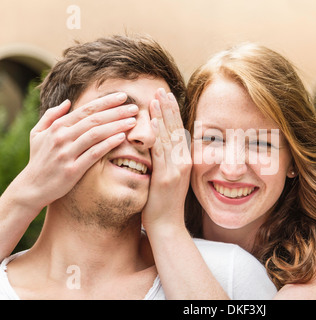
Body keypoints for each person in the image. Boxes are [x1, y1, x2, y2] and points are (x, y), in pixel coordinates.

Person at [0, 35, 277, 300]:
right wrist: (26, 192)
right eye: (122, 110)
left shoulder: (229, 275)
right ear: (53, 133)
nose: (146, 135)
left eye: (162, 120)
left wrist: (167, 226)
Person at [179, 42, 316, 299]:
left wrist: (167, 231)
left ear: (294, 162)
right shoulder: (139, 234)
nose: (232, 169)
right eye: (213, 139)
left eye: (261, 143)